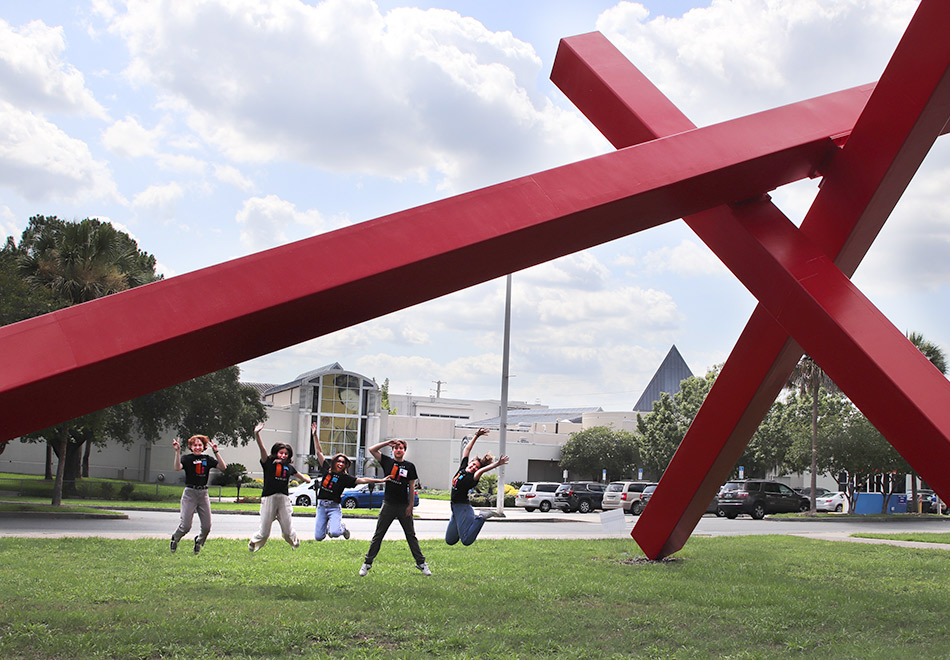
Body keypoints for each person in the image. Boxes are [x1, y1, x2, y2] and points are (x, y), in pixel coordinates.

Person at [359, 438, 429, 576]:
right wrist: (387, 443)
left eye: (401, 448)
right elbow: (371, 450)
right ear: (392, 450)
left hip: (403, 506)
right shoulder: (387, 462)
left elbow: (411, 486)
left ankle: (421, 563)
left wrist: (410, 506)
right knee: (378, 535)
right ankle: (367, 563)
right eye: (396, 448)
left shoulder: (410, 466)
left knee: (411, 536)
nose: (398, 450)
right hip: (388, 504)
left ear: (404, 451)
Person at [310, 421, 390, 541]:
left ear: (345, 465)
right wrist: (315, 435)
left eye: (343, 462)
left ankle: (341, 528)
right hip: (321, 506)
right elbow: (319, 452)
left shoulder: (345, 478)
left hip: (334, 507)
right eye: (339, 461)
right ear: (334, 462)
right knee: (318, 537)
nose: (340, 464)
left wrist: (381, 480)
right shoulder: (327, 469)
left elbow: (362, 480)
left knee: (335, 533)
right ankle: (330, 526)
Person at [249, 421, 311, 552]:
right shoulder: (268, 462)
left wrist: (307, 479)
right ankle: (254, 542)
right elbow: (262, 449)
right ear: (276, 453)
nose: (283, 455)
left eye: (286, 454)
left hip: (283, 499)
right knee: (264, 532)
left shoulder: (289, 467)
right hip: (269, 498)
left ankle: (294, 541)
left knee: (287, 531)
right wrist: (257, 434)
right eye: (280, 453)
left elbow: (301, 476)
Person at [445, 427, 509, 547]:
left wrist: (497, 464)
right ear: (470, 462)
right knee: (450, 540)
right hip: (455, 508)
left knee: (466, 540)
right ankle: (465, 525)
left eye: (476, 468)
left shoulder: (472, 478)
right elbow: (467, 449)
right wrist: (476, 436)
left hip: (463, 508)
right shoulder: (463, 468)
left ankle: (481, 517)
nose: (474, 467)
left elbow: (482, 470)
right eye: (474, 464)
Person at [170, 434, 226, 554]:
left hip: (203, 494)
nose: (197, 447)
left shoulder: (207, 459)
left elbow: (223, 467)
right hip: (190, 494)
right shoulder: (187, 458)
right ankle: (175, 538)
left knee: (206, 527)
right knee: (185, 526)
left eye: (200, 445)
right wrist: (177, 452)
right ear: (191, 447)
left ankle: (199, 541)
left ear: (204, 447)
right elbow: (177, 467)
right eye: (195, 445)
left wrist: (216, 451)